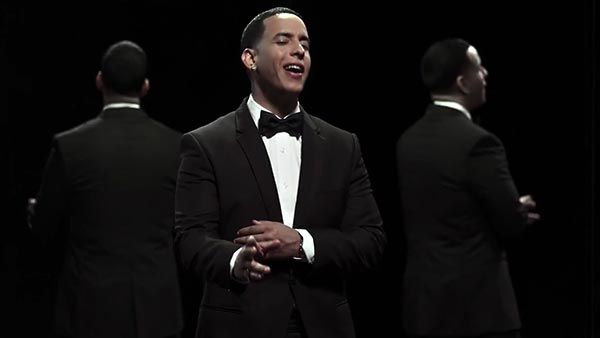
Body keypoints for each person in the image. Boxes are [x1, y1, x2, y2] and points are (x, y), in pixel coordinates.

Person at [174, 7, 386, 338]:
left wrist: (302, 242)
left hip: (324, 325)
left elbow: (370, 240)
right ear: (250, 58)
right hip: (240, 323)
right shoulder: (205, 144)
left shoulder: (343, 145)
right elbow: (189, 239)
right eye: (283, 40)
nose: (299, 50)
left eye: (305, 43)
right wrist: (234, 261)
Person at [28, 40, 183, 338]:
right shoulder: (177, 146)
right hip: (157, 312)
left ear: (99, 80)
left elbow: (45, 227)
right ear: (146, 86)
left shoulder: (69, 146)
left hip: (88, 312)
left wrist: (35, 212)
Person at [396, 38, 540, 338]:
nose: (485, 74)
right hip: (478, 310)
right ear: (462, 82)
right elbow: (509, 221)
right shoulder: (479, 142)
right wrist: (519, 210)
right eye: (479, 67)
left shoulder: (406, 141)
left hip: (425, 308)